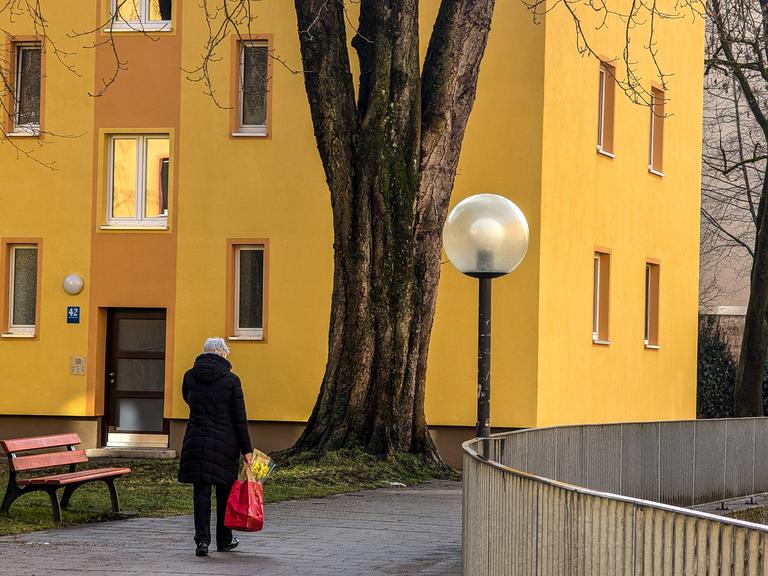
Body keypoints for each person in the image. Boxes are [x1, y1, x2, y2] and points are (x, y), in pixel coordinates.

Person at [178, 338, 253, 557]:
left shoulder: (190, 376)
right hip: (225, 442)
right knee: (224, 493)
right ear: (221, 353)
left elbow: (188, 400)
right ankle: (224, 539)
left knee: (201, 493)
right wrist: (246, 449)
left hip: (196, 440)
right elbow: (239, 418)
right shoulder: (231, 380)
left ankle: (202, 542)